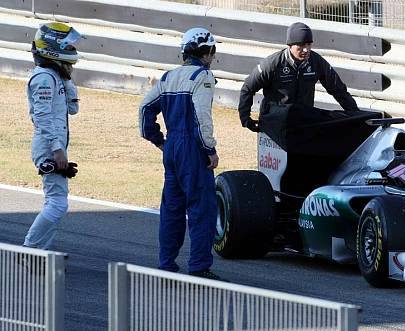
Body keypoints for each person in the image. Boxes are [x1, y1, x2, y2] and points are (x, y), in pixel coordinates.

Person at [139, 27, 223, 281]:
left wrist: (159, 140)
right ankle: (198, 267)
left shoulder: (166, 77)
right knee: (202, 207)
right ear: (206, 52)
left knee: (172, 208)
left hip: (173, 145)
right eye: (213, 52)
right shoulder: (202, 76)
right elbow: (201, 118)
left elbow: (145, 110)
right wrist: (209, 149)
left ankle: (166, 265)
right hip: (191, 148)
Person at [238, 22, 359, 131]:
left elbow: (338, 89)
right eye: (300, 46)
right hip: (274, 122)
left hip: (302, 121)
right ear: (290, 46)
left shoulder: (316, 61)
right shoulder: (272, 64)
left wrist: (356, 114)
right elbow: (248, 87)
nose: (306, 50)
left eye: (309, 44)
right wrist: (245, 118)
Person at [24, 22, 82, 250]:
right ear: (54, 47)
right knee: (57, 204)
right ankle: (29, 249)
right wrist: (57, 149)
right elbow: (42, 117)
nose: (72, 49)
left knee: (55, 202)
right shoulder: (44, 78)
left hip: (55, 145)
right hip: (49, 146)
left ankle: (39, 253)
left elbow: (73, 109)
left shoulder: (55, 76)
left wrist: (67, 79)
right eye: (68, 45)